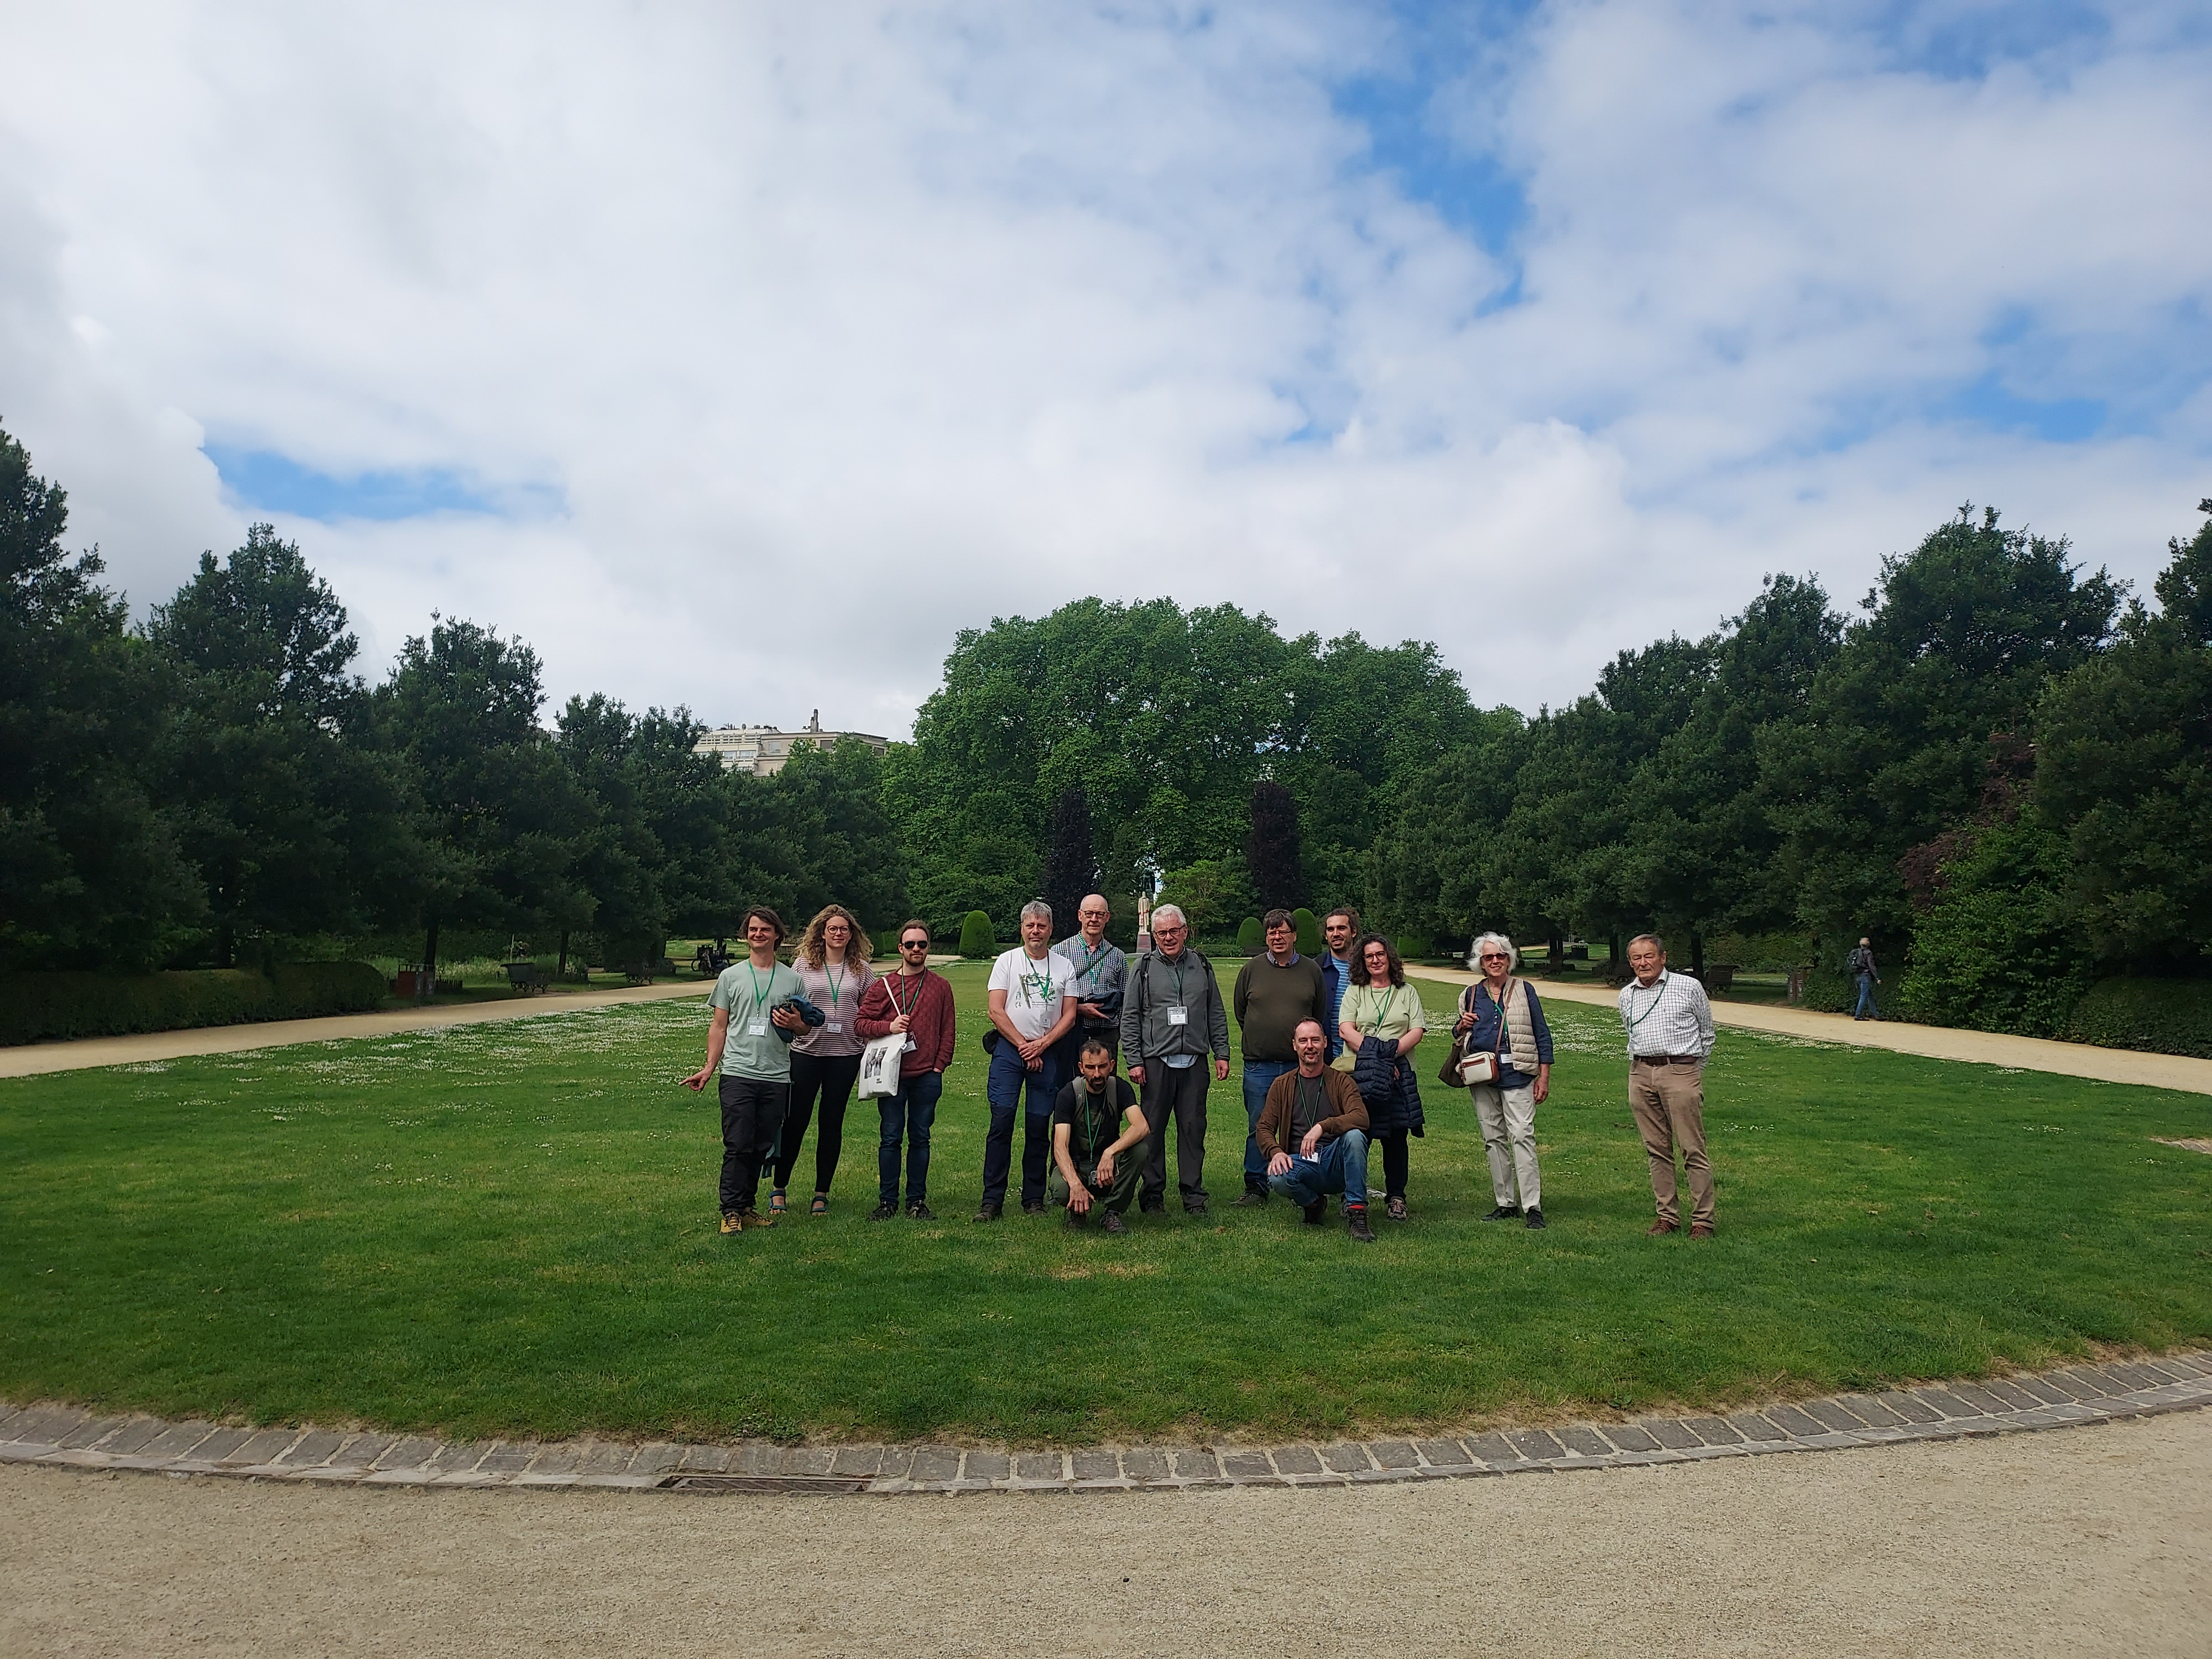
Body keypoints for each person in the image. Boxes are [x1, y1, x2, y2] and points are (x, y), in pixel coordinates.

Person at [683, 905, 807, 1233]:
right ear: (746, 934)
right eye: (753, 929)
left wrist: (798, 1023)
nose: (758, 934)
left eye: (765, 929)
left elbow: (805, 1028)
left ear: (777, 935)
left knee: (762, 1144)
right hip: (738, 1073)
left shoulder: (792, 979)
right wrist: (709, 1068)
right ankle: (731, 1211)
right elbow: (719, 1026)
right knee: (738, 1143)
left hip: (777, 1075)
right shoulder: (730, 977)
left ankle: (748, 1206)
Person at [1119, 902, 1231, 1216]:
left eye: (1173, 931)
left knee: (1193, 1130)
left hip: (1195, 1062)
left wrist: (1221, 1053)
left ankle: (1193, 1196)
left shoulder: (1202, 965)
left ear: (1184, 932)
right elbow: (1130, 1017)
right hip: (1156, 1062)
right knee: (1151, 1131)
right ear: (1154, 935)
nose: (1168, 937)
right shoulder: (1142, 968)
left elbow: (1215, 1013)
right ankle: (1152, 1195)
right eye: (1161, 933)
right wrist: (1134, 1059)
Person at [771, 905, 876, 1218]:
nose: (839, 934)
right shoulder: (804, 965)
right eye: (833, 929)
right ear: (822, 932)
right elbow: (790, 1003)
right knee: (795, 1123)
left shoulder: (862, 969)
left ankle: (821, 1194)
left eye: (844, 929)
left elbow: (871, 1006)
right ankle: (779, 1188)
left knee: (831, 1124)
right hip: (807, 1053)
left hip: (845, 1056)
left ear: (851, 934)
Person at [979, 900, 1079, 1220]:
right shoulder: (1007, 962)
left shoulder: (1064, 966)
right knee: (1002, 1123)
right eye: (1030, 926)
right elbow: (996, 1010)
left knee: (1039, 1126)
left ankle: (1033, 1198)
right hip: (1011, 1051)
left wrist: (1042, 1045)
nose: (1035, 931)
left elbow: (1070, 1015)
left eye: (1042, 926)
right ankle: (992, 1200)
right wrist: (1024, 1046)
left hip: (1047, 1050)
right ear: (1022, 929)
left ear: (1051, 930)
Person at [853, 920, 957, 1220]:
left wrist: (939, 1066)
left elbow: (947, 1030)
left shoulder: (940, 986)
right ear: (901, 948)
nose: (916, 949)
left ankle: (916, 1200)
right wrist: (889, 1026)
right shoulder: (882, 986)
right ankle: (888, 1201)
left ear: (928, 948)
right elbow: (860, 1024)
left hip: (927, 1075)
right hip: (892, 1074)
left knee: (921, 1137)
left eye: (921, 945)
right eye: (910, 944)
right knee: (890, 1137)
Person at [1452, 932, 1554, 1230]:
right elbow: (1459, 1036)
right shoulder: (1470, 995)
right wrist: (1460, 1025)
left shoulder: (1525, 990)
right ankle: (1505, 1202)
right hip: (1483, 1076)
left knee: (1522, 1136)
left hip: (1519, 1072)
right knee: (1493, 1139)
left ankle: (1532, 1205)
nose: (1495, 961)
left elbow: (1542, 1034)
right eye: (1488, 958)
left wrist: (1543, 1076)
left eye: (1500, 956)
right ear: (1480, 964)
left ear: (1509, 959)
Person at [1618, 933, 1717, 1238]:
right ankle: (1667, 1217)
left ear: (1663, 958)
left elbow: (1708, 1033)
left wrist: (1689, 1071)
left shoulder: (1688, 987)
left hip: (1681, 1072)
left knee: (1692, 1149)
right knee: (1656, 1150)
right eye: (1636, 958)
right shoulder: (1627, 994)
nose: (1643, 963)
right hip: (1640, 1072)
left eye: (1649, 956)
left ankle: (1703, 1221)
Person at [1231, 909, 1327, 1206]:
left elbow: (1319, 1014)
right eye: (1272, 932)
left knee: (1306, 1122)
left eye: (1283, 932)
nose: (1277, 937)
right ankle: (1256, 1185)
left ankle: (1305, 1176)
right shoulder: (1251, 970)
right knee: (1259, 1124)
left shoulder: (1312, 970)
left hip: (1301, 1065)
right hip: (1260, 1065)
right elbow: (1240, 1012)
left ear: (1294, 936)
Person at [1257, 1018, 1374, 1242]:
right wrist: (1275, 1152)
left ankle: (1357, 1213)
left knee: (1355, 1136)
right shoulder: (1282, 1085)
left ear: (1325, 1043)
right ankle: (1314, 1203)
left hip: (1335, 1160)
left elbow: (1361, 1118)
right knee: (1276, 1175)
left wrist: (1322, 1126)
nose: (1309, 1046)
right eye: (1303, 1041)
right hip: (1301, 1162)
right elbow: (1264, 1127)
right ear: (1295, 1045)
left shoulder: (1341, 1081)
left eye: (1315, 1040)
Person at [1338, 932, 1426, 1221]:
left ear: (1389, 958)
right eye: (1369, 956)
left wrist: (1388, 1059)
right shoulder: (1355, 991)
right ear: (1362, 961)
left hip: (1398, 1077)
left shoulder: (1407, 992)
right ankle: (1352, 1195)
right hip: (1359, 1075)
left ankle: (1397, 1197)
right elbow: (1346, 1030)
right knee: (1356, 1135)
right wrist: (1381, 1059)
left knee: (1396, 1139)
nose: (1375, 960)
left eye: (1380, 955)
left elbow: (1416, 1031)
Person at [1049, 1039, 1150, 1234]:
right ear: (1081, 1068)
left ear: (1112, 1065)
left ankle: (1112, 1212)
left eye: (1103, 1067)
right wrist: (1075, 1183)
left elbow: (1142, 1126)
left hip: (1107, 1166)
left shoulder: (1120, 1088)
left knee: (1141, 1149)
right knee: (1062, 1191)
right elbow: (1060, 1146)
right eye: (1090, 1067)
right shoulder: (1068, 1094)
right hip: (1077, 1164)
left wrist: (1110, 1153)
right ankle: (1077, 1212)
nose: (1097, 1074)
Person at [1052, 894, 1128, 1072]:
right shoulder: (1059, 952)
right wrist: (1079, 1009)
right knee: (1070, 1090)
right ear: (1080, 915)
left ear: (1107, 917)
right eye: (1089, 914)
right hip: (1072, 1034)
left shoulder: (1118, 957)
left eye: (1100, 914)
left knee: (1105, 1089)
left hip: (1106, 1037)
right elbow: (1050, 999)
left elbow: (1126, 1000)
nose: (1094, 919)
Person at [1319, 907, 1360, 1062]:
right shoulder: (1316, 968)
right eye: (1331, 929)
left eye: (1341, 928)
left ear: (1353, 932)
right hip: (1326, 1057)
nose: (1335, 934)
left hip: (1362, 1056)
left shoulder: (1368, 968)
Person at [1848, 937, 1880, 1020]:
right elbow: (1871, 966)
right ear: (1869, 945)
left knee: (1869, 995)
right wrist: (1877, 978)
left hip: (1858, 976)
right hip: (1865, 976)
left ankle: (1876, 1014)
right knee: (1864, 996)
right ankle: (1858, 1015)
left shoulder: (1856, 952)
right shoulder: (1868, 953)